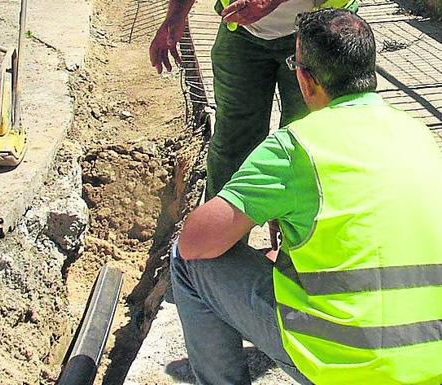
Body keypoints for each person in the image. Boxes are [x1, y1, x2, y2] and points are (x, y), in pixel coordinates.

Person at [171, 9, 442, 385]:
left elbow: (194, 243)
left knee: (187, 263)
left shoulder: (297, 146)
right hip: (430, 364)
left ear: (304, 78)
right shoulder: (420, 135)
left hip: (346, 368)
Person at [150, 0, 356, 202]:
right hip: (242, 33)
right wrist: (176, 16)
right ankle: (224, 234)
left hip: (324, 32)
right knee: (231, 148)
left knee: (308, 147)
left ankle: (297, 231)